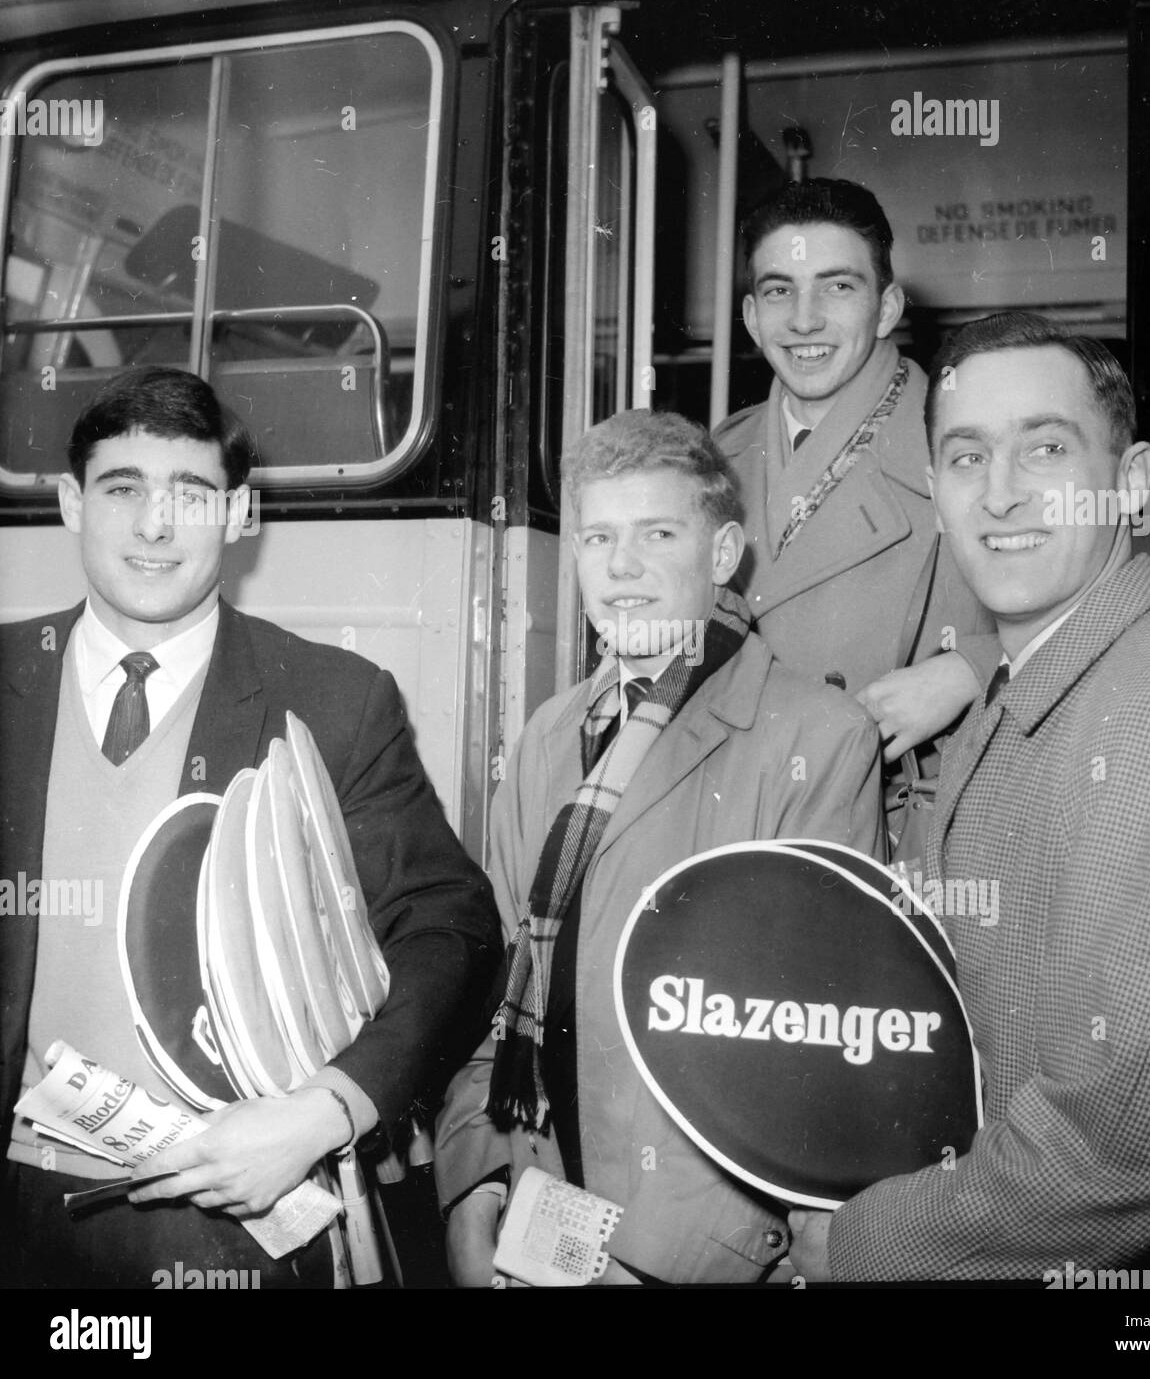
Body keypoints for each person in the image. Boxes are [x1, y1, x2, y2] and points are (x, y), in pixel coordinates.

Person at [788, 311, 1150, 1280]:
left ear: (1131, 482)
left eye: (1047, 448)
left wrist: (864, 1239)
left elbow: (1138, 1149)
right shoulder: (1024, 686)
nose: (1003, 493)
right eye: (967, 455)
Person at [0, 366, 501, 1288]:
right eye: (123, 490)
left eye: (191, 495)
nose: (156, 525)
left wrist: (325, 1111)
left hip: (236, 1219)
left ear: (238, 516)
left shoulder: (336, 700)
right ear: (73, 503)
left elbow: (453, 930)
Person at [435, 409, 882, 1284]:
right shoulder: (544, 740)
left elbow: (804, 1057)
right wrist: (474, 1180)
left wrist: (654, 1266)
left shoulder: (818, 737)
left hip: (693, 1248)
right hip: (538, 1208)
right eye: (598, 536)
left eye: (658, 533)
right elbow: (498, 990)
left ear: (721, 556)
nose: (622, 566)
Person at [714, 177, 1000, 763]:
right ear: (749, 316)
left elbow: (1087, 612)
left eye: (837, 287)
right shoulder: (717, 454)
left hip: (900, 811)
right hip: (746, 795)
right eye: (777, 292)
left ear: (886, 308)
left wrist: (971, 671)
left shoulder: (971, 440)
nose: (804, 321)